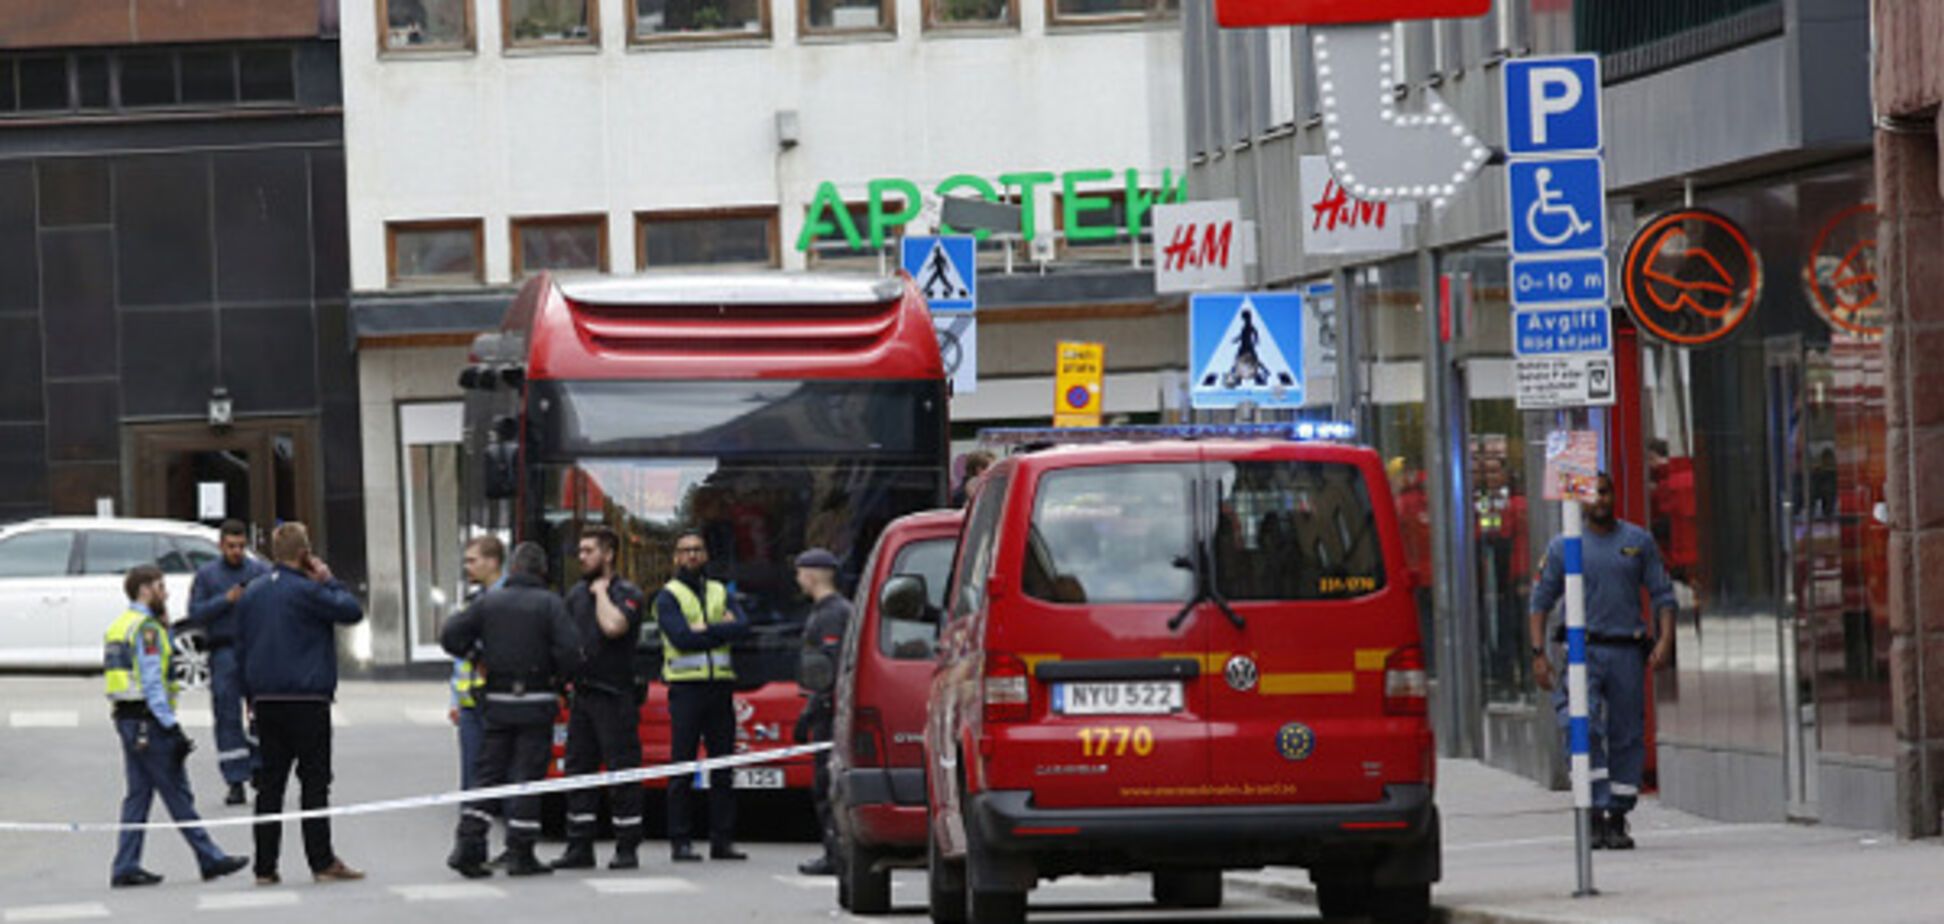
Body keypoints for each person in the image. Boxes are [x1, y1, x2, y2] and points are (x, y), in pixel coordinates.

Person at [1529, 473, 1676, 851]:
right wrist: (1538, 654)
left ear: (1616, 495)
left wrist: (1664, 641)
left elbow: (1663, 594)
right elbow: (1540, 603)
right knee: (1583, 726)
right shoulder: (1565, 546)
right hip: (1582, 653)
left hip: (1627, 650)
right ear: (1580, 500)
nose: (1600, 500)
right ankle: (1594, 809)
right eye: (1593, 494)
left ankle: (1618, 816)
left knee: (1627, 735)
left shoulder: (1637, 542)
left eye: (1606, 492)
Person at [234, 522, 366, 885]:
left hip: (266, 700)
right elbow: (351, 612)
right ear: (305, 554)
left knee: (269, 786)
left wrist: (249, 696)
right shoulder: (310, 591)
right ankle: (321, 861)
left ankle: (265, 866)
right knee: (314, 782)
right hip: (307, 699)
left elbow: (241, 648)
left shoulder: (251, 593)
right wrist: (328, 579)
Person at [443, 542, 584, 879]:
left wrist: (478, 657)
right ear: (542, 571)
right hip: (536, 701)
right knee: (527, 778)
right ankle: (521, 852)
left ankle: (469, 846)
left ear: (514, 568)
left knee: (488, 776)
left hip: (497, 703)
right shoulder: (550, 604)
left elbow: (450, 636)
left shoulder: (489, 603)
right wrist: (560, 679)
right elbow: (571, 652)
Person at [105, 565, 251, 888]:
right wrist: (172, 729)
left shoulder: (122, 625)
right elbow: (153, 682)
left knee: (139, 796)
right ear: (145, 589)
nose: (166, 593)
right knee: (177, 792)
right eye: (160, 586)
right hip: (149, 722)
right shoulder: (146, 629)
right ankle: (210, 858)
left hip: (128, 720)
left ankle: (126, 865)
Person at [552, 527, 650, 872]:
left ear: (608, 554)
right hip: (583, 696)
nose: (581, 557)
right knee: (578, 770)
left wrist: (602, 594)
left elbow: (613, 628)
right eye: (579, 550)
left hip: (615, 697)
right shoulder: (575, 595)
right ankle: (579, 846)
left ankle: (626, 848)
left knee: (622, 772)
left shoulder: (627, 593)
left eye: (589, 550)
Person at [656, 530, 753, 862]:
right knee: (682, 767)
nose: (692, 555)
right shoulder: (668, 596)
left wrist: (705, 630)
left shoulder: (718, 590)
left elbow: (744, 627)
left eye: (698, 549)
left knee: (723, 766)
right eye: (685, 550)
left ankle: (722, 841)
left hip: (720, 689)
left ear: (706, 555)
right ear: (676, 557)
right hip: (685, 690)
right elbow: (681, 638)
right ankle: (680, 841)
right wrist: (719, 630)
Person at [186, 519, 270, 807]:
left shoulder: (260, 572)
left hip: (256, 650)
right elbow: (195, 614)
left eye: (241, 546)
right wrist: (226, 600)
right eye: (231, 546)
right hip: (223, 650)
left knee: (262, 713)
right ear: (221, 545)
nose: (236, 551)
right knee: (227, 716)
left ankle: (260, 767)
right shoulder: (207, 576)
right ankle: (235, 780)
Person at [791, 548, 853, 877]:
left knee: (826, 784)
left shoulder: (831, 615)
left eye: (800, 573)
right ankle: (835, 852)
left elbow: (827, 671)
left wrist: (811, 712)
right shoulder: (834, 610)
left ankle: (836, 855)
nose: (798, 580)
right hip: (829, 709)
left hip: (829, 713)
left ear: (812, 575)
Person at [451, 536, 506, 792]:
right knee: (472, 782)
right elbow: (460, 656)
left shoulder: (507, 599)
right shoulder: (474, 600)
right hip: (470, 702)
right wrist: (455, 699)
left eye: (473, 560)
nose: (467, 566)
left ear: (493, 562)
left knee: (500, 775)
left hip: (498, 699)